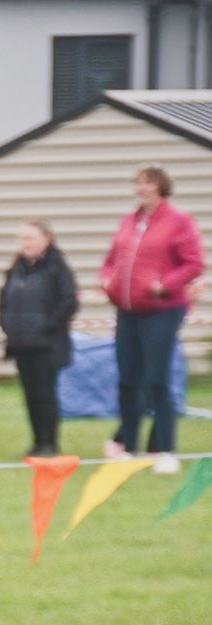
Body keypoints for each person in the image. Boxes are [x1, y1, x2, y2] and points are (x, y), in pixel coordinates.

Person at [102, 164, 202, 474]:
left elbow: (193, 263)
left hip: (163, 310)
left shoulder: (178, 221)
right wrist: (108, 281)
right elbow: (110, 262)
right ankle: (129, 448)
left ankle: (165, 450)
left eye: (147, 183)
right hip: (127, 310)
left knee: (157, 378)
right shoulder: (129, 222)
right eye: (138, 183)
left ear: (161, 187)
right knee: (127, 380)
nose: (141, 189)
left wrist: (164, 285)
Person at [0, 218, 78, 458]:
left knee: (45, 394)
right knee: (30, 394)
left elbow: (69, 301)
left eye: (30, 238)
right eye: (22, 239)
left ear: (46, 239)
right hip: (22, 343)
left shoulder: (57, 267)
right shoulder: (16, 267)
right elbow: (5, 300)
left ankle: (49, 442)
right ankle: (36, 441)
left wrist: (47, 325)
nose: (25, 243)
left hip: (47, 343)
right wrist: (7, 324)